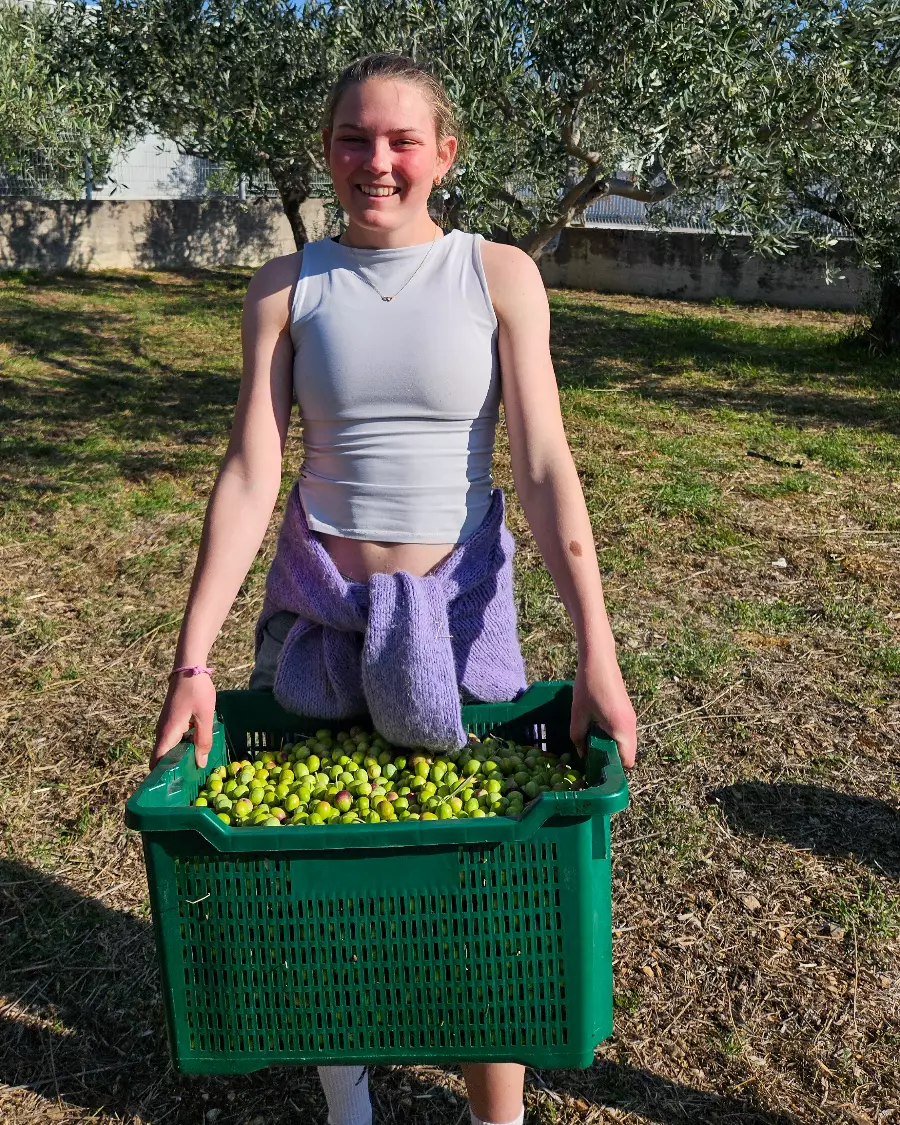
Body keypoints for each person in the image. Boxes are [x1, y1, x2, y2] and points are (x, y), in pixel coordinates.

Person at [152, 52, 637, 1125]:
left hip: (457, 626)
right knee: (322, 879)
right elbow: (252, 472)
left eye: (402, 140)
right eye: (354, 140)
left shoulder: (496, 274)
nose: (377, 161)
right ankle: (349, 1098)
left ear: (444, 155)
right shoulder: (286, 287)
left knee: (483, 888)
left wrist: (596, 652)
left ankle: (496, 1114)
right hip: (321, 622)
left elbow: (543, 465)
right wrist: (192, 661)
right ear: (328, 152)